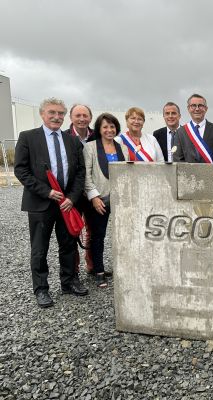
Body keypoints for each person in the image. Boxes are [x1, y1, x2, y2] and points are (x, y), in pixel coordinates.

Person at [14, 97, 88, 308]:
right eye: (52, 113)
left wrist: (72, 198)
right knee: (39, 248)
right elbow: (21, 170)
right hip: (41, 203)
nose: (57, 117)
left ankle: (69, 282)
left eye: (60, 114)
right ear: (42, 114)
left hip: (67, 203)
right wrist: (46, 192)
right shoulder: (28, 137)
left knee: (68, 245)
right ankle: (41, 289)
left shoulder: (72, 141)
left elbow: (80, 173)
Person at [83, 113, 129, 288]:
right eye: (105, 127)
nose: (109, 130)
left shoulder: (122, 148)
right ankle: (99, 271)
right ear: (99, 129)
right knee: (98, 236)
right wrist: (93, 196)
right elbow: (86, 175)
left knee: (121, 236)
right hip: (99, 199)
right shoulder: (90, 148)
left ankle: (122, 268)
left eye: (112, 126)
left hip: (118, 200)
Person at [64, 104, 95, 275]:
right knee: (72, 231)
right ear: (71, 118)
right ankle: (73, 270)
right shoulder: (64, 137)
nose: (82, 119)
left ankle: (91, 264)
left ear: (90, 118)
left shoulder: (97, 136)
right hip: (72, 193)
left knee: (92, 230)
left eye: (85, 115)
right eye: (78, 115)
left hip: (92, 192)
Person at [172, 94, 213, 163]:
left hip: (211, 173)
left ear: (206, 109)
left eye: (200, 105)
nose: (197, 109)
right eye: (193, 105)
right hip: (188, 173)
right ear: (188, 108)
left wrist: (212, 173)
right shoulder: (180, 132)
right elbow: (178, 159)